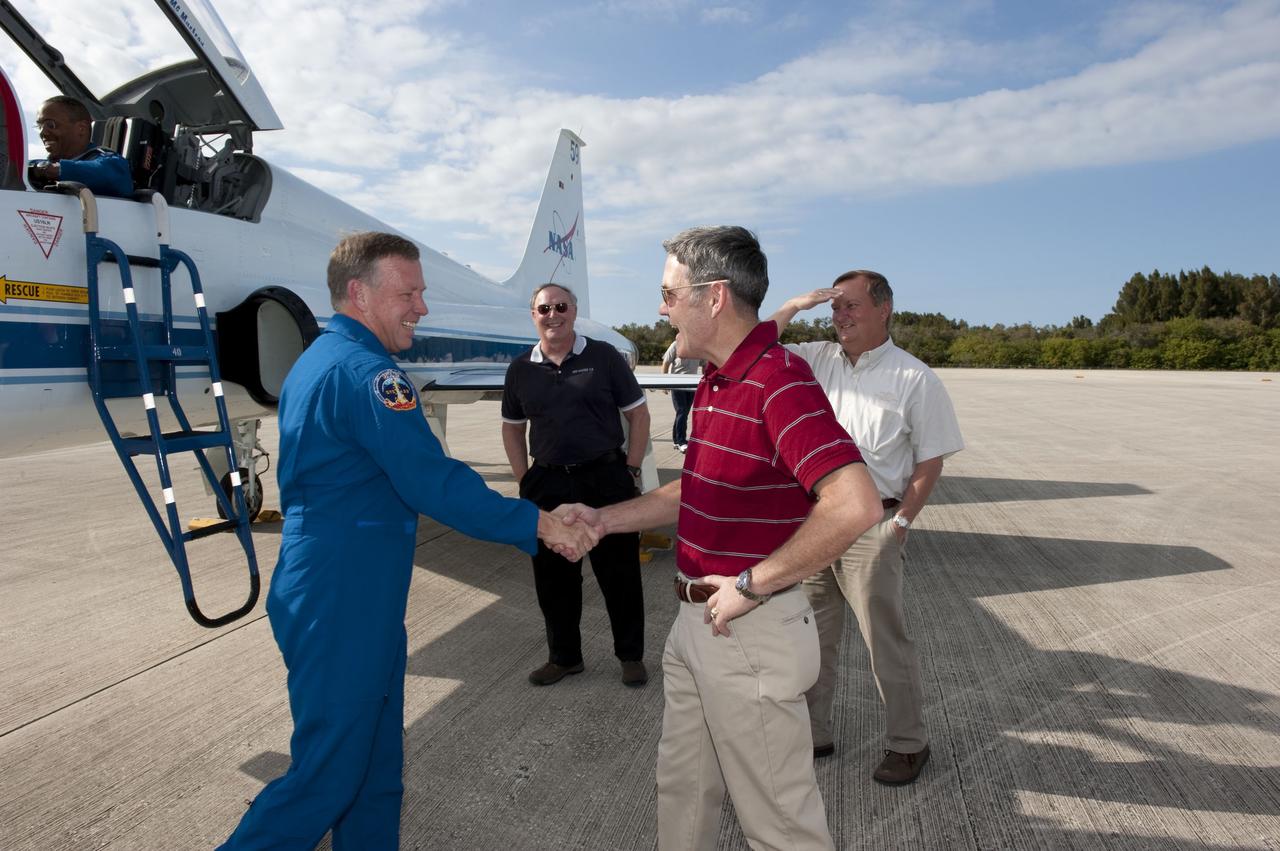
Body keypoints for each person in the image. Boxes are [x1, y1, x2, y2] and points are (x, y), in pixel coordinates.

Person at [219, 233, 596, 850]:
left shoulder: (319, 359)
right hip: (341, 598)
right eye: (409, 293)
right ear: (360, 294)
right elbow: (433, 481)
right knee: (328, 777)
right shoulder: (367, 374)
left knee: (375, 774)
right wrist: (542, 523)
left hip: (351, 592)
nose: (421, 307)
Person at [561, 226, 883, 850]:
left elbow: (855, 503)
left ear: (713, 297)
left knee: (780, 824)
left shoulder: (778, 380)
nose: (661, 307)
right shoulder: (716, 379)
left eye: (668, 292)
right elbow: (696, 488)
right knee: (682, 791)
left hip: (748, 630)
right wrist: (605, 520)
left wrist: (751, 583)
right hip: (696, 625)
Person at [769, 270, 964, 786]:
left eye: (851, 306)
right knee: (810, 639)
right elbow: (755, 344)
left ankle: (907, 743)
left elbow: (930, 462)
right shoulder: (814, 359)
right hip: (815, 523)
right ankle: (813, 734)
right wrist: (793, 305)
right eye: (835, 308)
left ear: (884, 309)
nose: (840, 317)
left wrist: (899, 523)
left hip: (874, 524)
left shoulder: (915, 378)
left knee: (885, 641)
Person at [501, 283, 652, 687]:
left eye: (561, 307)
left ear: (574, 311)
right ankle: (564, 657)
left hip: (604, 478)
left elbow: (638, 416)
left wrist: (631, 470)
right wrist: (525, 479)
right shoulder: (520, 369)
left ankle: (630, 656)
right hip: (547, 483)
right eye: (544, 308)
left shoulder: (602, 357)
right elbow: (512, 429)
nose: (553, 314)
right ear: (533, 315)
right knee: (552, 578)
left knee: (618, 573)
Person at [27, 96, 132, 198]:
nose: (42, 133)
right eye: (39, 126)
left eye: (50, 125)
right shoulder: (43, 165)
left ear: (81, 128)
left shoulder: (108, 162)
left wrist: (58, 170)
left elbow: (116, 178)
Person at [660, 339, 702, 452]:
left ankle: (676, 440)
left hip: (691, 386)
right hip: (676, 384)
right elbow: (666, 363)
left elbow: (704, 364)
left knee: (683, 413)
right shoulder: (676, 344)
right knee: (682, 411)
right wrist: (664, 383)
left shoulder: (698, 346)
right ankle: (681, 441)